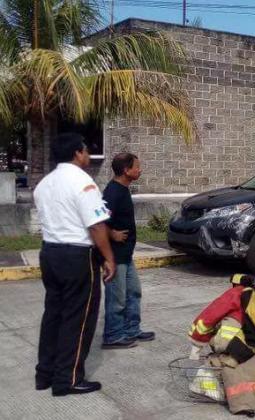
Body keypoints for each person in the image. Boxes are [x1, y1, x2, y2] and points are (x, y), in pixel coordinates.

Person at [33, 133, 116, 396]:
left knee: (53, 314)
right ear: (77, 153)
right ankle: (67, 378)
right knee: (78, 318)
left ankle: (44, 374)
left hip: (50, 252)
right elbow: (96, 225)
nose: (88, 155)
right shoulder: (83, 182)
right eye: (85, 150)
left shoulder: (44, 184)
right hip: (77, 255)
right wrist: (108, 258)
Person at [102, 153, 155, 349]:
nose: (140, 170)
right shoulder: (112, 192)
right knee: (117, 298)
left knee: (133, 292)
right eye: (137, 167)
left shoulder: (123, 189)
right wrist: (112, 233)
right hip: (115, 256)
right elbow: (97, 220)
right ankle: (113, 335)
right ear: (126, 170)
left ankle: (132, 330)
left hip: (126, 254)